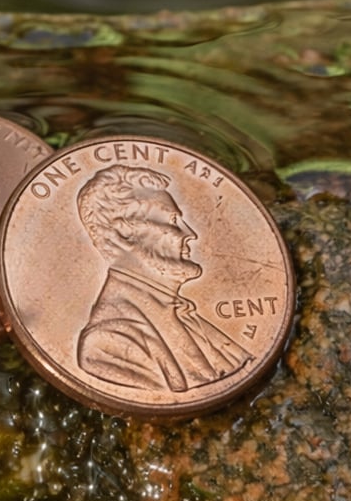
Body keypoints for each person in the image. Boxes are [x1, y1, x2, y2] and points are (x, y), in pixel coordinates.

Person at [76, 164, 253, 392]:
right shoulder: (108, 343)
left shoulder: (186, 317)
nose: (190, 234)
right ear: (124, 233)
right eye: (172, 221)